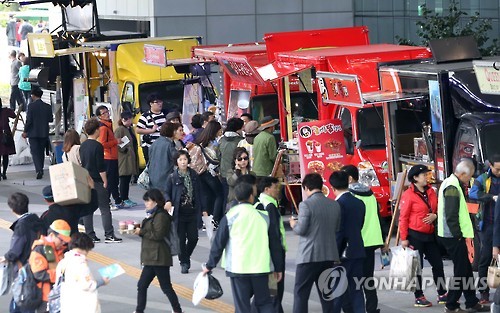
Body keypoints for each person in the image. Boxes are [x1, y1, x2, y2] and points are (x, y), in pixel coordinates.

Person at [202, 180, 284, 313]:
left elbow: (218, 243)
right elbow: (275, 243)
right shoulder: (264, 216)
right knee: (266, 303)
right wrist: (278, 268)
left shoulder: (229, 217)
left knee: (242, 306)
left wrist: (209, 265)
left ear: (236, 197)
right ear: (252, 196)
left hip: (237, 269)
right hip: (263, 269)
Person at [438, 160, 489, 313]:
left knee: (465, 269)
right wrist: (458, 235)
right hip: (453, 236)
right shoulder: (453, 187)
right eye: (469, 177)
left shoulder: (452, 183)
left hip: (453, 234)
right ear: (462, 174)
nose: (470, 180)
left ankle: (471, 301)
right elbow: (451, 214)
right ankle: (451, 304)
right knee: (461, 271)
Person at [289, 173, 341, 313]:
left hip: (308, 256)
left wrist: (294, 224)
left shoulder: (305, 205)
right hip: (328, 255)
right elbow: (336, 228)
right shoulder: (334, 204)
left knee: (301, 294)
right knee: (326, 295)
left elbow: (301, 229)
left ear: (306, 187)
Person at [399, 165, 447, 307]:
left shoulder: (431, 191)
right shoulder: (408, 195)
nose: (426, 178)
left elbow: (437, 207)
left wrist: (435, 216)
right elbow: (403, 218)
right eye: (423, 175)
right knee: (416, 268)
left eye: (427, 175)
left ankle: (442, 293)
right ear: (415, 178)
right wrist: (404, 238)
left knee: (438, 264)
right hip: (415, 235)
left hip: (430, 234)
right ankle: (419, 296)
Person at [340, 164, 384, 313]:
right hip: (372, 240)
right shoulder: (370, 194)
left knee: (353, 278)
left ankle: (353, 308)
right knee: (368, 277)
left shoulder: (350, 196)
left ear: (350, 178)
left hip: (357, 242)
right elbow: (378, 217)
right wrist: (383, 239)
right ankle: (372, 308)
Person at [134, 189, 183, 313]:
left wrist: (142, 231)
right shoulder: (153, 214)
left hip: (159, 257)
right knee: (142, 285)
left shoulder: (161, 216)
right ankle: (139, 310)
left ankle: (177, 310)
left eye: (148, 201)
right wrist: (139, 231)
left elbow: (158, 235)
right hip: (152, 257)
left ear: (155, 201)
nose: (146, 203)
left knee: (165, 287)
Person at [79, 118, 122, 244]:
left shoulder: (83, 145)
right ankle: (109, 234)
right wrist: (105, 181)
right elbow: (100, 166)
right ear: (96, 130)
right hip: (96, 180)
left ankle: (90, 234)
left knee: (88, 208)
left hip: (86, 179)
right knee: (104, 208)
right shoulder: (97, 146)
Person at [329, 170, 366, 313]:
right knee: (356, 289)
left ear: (332, 188)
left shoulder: (337, 205)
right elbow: (360, 225)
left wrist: (335, 254)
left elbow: (339, 233)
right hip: (358, 249)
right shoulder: (359, 202)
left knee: (337, 289)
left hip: (342, 254)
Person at [1, 192, 44, 313]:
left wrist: (6, 257)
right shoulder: (36, 220)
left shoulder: (21, 226)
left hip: (24, 267)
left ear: (13, 210)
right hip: (38, 264)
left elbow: (16, 250)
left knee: (21, 299)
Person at [165, 150, 202, 274]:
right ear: (176, 162)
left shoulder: (194, 175)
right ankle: (184, 262)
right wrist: (168, 200)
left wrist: (204, 209)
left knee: (193, 238)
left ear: (188, 161)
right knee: (180, 239)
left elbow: (200, 193)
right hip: (179, 213)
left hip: (192, 211)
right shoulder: (172, 177)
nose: (183, 162)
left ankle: (185, 256)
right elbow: (166, 192)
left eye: (185, 159)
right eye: (180, 160)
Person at [469, 155, 500, 304]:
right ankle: (484, 293)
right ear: (491, 166)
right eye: (497, 169)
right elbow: (472, 193)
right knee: (485, 259)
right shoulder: (482, 179)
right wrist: (490, 197)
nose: (499, 172)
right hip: (487, 225)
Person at [56, 232, 109, 313]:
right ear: (86, 247)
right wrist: (102, 281)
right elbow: (88, 285)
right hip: (82, 305)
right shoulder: (80, 264)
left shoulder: (63, 262)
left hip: (67, 303)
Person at [257, 176, 287, 313]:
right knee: (274, 291)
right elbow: (274, 236)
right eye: (276, 187)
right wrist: (278, 264)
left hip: (266, 254)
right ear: (267, 189)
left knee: (271, 291)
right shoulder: (269, 207)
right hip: (273, 255)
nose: (277, 190)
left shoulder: (262, 203)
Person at [29, 219, 71, 313]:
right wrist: (60, 275)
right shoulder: (40, 249)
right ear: (52, 235)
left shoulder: (57, 249)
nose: (63, 243)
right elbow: (39, 274)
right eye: (61, 240)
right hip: (45, 298)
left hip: (56, 295)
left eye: (65, 241)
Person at [194, 120, 224, 224]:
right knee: (219, 194)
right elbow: (216, 159)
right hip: (210, 173)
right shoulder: (213, 143)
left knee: (207, 195)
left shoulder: (201, 141)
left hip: (201, 172)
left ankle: (206, 219)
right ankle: (215, 219)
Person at [95, 105, 123, 210]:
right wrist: (116, 141)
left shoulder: (108, 126)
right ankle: (107, 202)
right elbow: (102, 144)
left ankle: (117, 200)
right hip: (108, 158)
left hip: (112, 157)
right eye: (104, 113)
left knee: (114, 181)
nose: (107, 114)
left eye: (107, 112)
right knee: (110, 181)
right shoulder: (103, 128)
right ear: (99, 116)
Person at [22, 87, 52, 179]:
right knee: (41, 152)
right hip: (44, 133)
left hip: (33, 133)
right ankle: (41, 168)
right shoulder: (48, 106)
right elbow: (50, 119)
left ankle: (39, 170)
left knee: (35, 152)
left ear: (33, 95)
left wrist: (25, 131)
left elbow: (29, 121)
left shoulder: (31, 106)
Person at [114, 111, 139, 208]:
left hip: (130, 156)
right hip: (124, 158)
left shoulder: (130, 129)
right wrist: (124, 149)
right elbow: (117, 142)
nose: (130, 120)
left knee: (127, 178)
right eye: (128, 119)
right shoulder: (120, 129)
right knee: (124, 178)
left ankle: (126, 197)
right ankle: (124, 198)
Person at [219, 117, 244, 207]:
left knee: (226, 197)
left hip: (224, 173)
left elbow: (218, 156)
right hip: (236, 173)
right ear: (238, 128)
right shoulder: (240, 141)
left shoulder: (221, 140)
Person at [148, 122, 179, 193]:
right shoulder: (169, 144)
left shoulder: (154, 143)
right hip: (165, 177)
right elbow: (176, 158)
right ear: (173, 132)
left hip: (153, 176)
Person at [136, 93, 166, 164]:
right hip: (151, 147)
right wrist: (151, 130)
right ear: (151, 104)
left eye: (160, 101)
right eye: (157, 102)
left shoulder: (165, 115)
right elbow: (138, 130)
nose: (160, 104)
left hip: (164, 146)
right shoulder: (145, 116)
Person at [0, 104, 16, 180]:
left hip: (3, 135)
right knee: (5, 155)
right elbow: (14, 115)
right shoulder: (5, 111)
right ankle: (4, 173)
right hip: (5, 135)